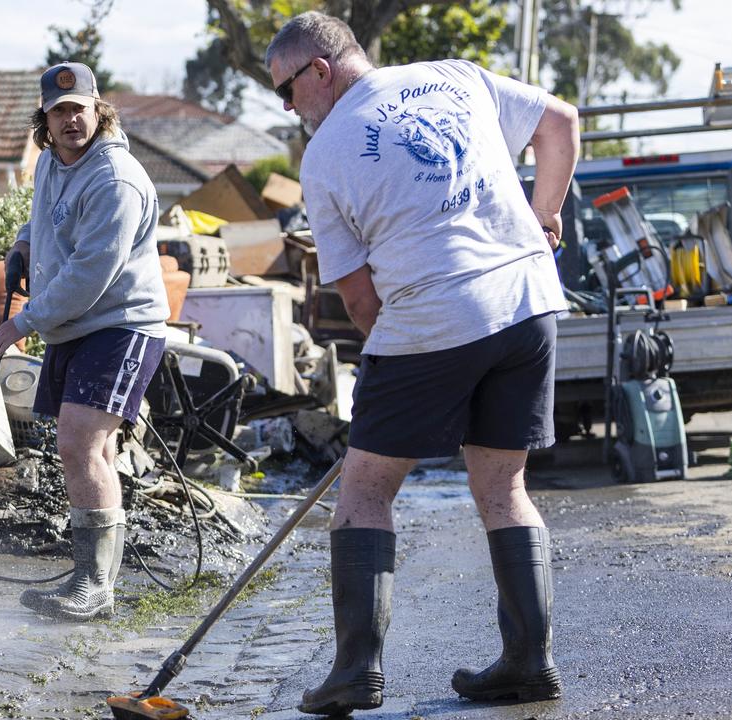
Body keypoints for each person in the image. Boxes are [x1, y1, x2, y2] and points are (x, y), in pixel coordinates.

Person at [263, 11, 580, 716]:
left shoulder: (324, 157)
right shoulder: (453, 76)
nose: (289, 110)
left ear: (319, 71)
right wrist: (546, 218)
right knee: (503, 487)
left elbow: (362, 301)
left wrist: (405, 374)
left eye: (286, 93)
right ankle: (530, 662)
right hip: (527, 301)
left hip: (435, 311)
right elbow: (560, 121)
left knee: (366, 490)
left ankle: (355, 673)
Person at [0, 61, 170, 622]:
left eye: (79, 109)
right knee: (93, 449)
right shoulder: (50, 162)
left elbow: (91, 273)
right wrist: (21, 245)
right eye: (59, 111)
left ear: (98, 110)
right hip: (76, 325)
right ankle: (93, 580)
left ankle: (94, 584)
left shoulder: (115, 178)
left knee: (79, 444)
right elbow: (41, 218)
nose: (70, 120)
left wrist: (20, 323)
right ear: (44, 119)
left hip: (120, 323)